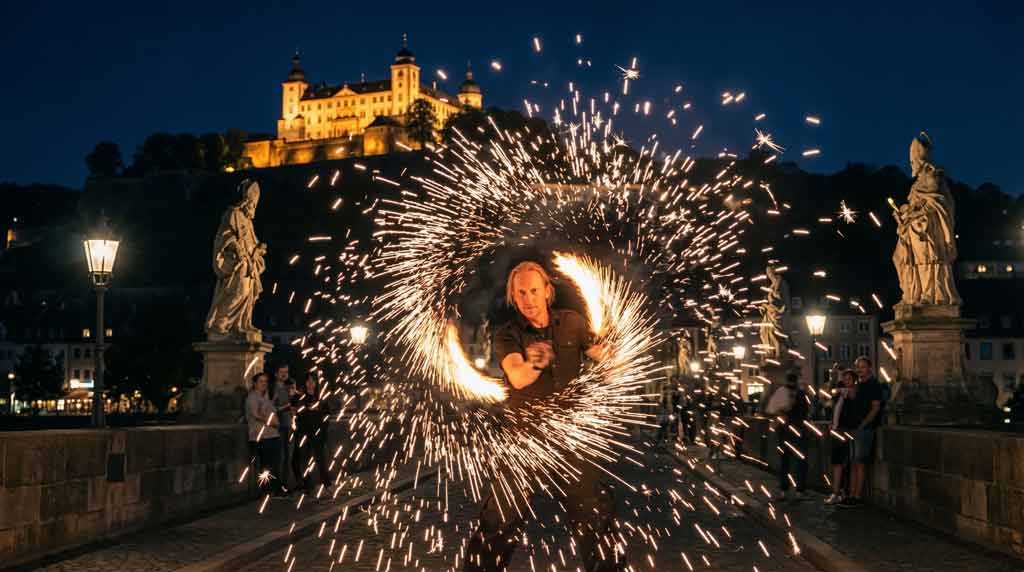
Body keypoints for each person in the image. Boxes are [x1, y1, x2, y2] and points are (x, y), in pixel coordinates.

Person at [464, 261, 619, 572]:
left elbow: (601, 355)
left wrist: (614, 353)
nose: (528, 298)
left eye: (534, 290)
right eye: (520, 293)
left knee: (594, 519)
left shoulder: (572, 322)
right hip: (526, 440)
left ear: (547, 291)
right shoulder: (507, 335)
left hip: (571, 436)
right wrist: (534, 363)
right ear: (513, 297)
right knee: (499, 520)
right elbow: (517, 376)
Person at [840, 356, 883, 508]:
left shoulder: (873, 385)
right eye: (858, 367)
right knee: (853, 462)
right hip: (854, 428)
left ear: (869, 368)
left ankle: (857, 496)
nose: (859, 370)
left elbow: (875, 407)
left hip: (864, 429)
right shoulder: (859, 385)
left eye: (862, 367)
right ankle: (851, 494)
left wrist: (862, 425)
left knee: (859, 462)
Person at [291, 372, 333, 492]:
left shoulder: (321, 398)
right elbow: (294, 413)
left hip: (317, 433)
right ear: (304, 382)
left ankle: (327, 484)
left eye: (313, 380)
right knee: (302, 460)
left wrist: (323, 430)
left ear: (316, 383)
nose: (310, 383)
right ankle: (307, 485)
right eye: (308, 380)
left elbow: (327, 416)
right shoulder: (298, 397)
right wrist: (304, 409)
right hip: (303, 433)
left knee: (320, 459)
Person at [246, 373, 286, 496]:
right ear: (255, 383)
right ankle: (267, 489)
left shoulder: (266, 397)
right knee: (266, 464)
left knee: (275, 463)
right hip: (262, 435)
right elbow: (256, 414)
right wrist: (272, 422)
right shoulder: (252, 397)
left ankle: (276, 488)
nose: (264, 383)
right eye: (261, 381)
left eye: (265, 381)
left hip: (273, 434)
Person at [772, 373, 809, 501]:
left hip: (784, 431)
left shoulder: (782, 392)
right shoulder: (801, 394)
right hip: (798, 430)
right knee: (800, 461)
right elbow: (805, 411)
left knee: (784, 462)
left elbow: (774, 410)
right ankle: (800, 491)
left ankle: (783, 491)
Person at [825, 370, 858, 505]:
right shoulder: (839, 395)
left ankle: (844, 492)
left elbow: (854, 406)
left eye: (849, 379)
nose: (846, 382)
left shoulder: (854, 394)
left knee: (846, 464)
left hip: (846, 431)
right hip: (836, 431)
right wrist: (831, 423)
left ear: (854, 381)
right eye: (845, 379)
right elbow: (831, 408)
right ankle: (835, 492)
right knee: (836, 462)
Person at [270, 363, 295, 488]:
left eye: (286, 372)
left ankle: (287, 483)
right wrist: (286, 406)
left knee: (288, 455)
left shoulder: (289, 387)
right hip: (278, 426)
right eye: (281, 372)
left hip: (289, 424)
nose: (285, 374)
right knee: (280, 456)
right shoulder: (273, 388)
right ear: (276, 374)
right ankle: (278, 484)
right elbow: (271, 407)